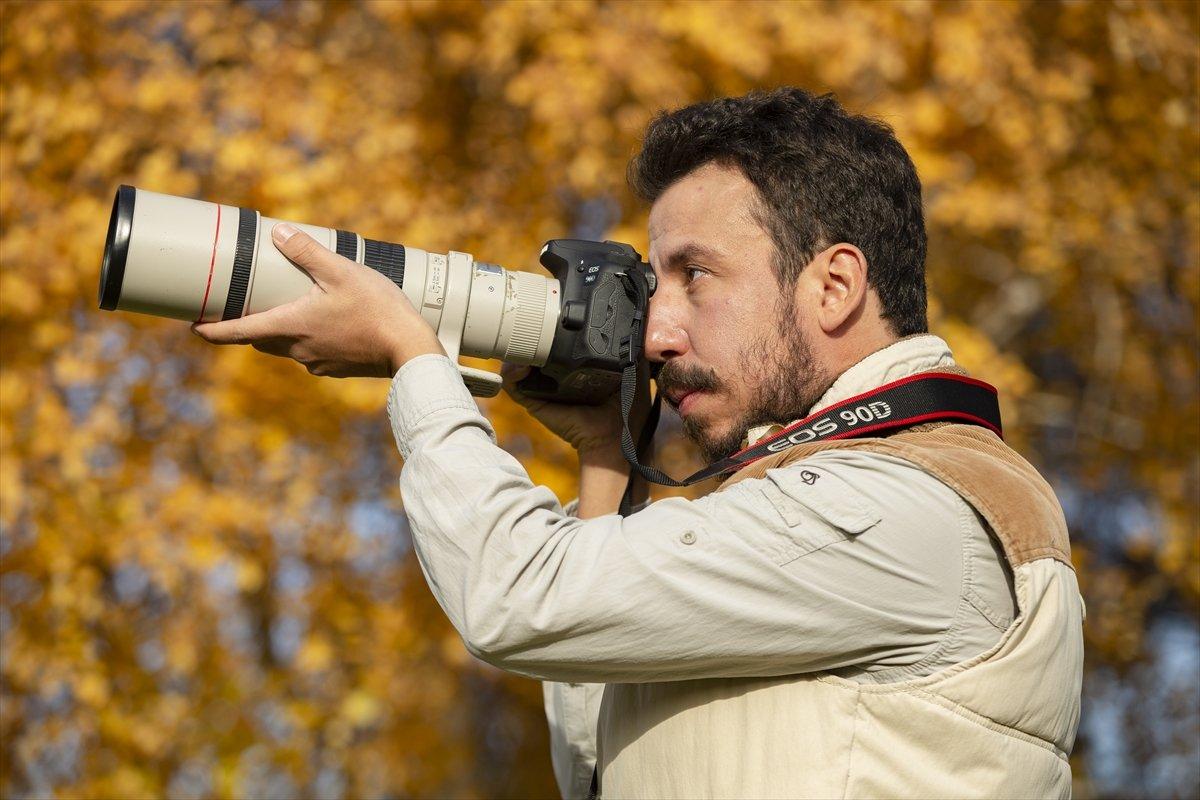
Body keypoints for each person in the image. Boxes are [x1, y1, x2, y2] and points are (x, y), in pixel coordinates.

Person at [194, 88, 1084, 799]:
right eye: (657, 284)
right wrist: (605, 462)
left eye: (697, 276)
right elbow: (597, 767)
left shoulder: (907, 503)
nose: (657, 333)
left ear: (835, 285)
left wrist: (412, 357)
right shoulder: (828, 490)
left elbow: (513, 601)